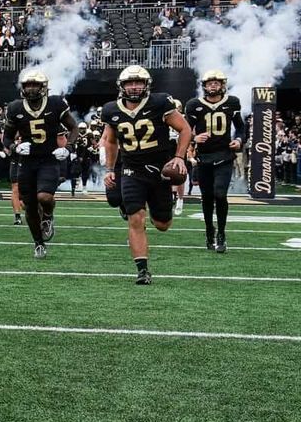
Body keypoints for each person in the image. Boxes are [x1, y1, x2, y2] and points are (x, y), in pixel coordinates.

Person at [101, 66, 192, 284]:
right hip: (132, 170)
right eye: (129, 83)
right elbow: (111, 141)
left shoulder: (160, 102)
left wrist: (179, 157)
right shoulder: (111, 109)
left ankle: (160, 207)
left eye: (138, 82)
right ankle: (142, 270)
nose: (134, 87)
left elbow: (185, 129)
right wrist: (111, 169)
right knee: (136, 219)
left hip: (160, 171)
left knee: (162, 224)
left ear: (146, 84)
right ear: (121, 86)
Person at [3, 70, 76, 260]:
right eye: (28, 85)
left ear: (43, 87)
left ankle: (49, 216)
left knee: (44, 197)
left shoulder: (55, 103)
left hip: (48, 159)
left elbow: (73, 127)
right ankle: (38, 243)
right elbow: (7, 136)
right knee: (30, 206)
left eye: (35, 85)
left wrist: (68, 147)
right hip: (27, 162)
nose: (31, 89)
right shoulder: (15, 108)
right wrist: (14, 147)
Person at [184, 70, 244, 252]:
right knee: (207, 198)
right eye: (210, 83)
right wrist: (195, 138)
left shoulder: (232, 102)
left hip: (224, 155)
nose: (213, 85)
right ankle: (210, 229)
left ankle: (221, 233)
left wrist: (239, 140)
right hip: (204, 157)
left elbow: (241, 127)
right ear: (204, 85)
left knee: (220, 194)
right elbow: (185, 129)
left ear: (222, 85)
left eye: (216, 83)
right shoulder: (194, 105)